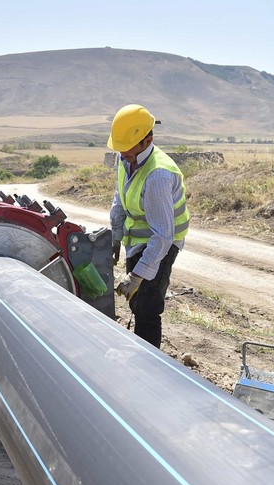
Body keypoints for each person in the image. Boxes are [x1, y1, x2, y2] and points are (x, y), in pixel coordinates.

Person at [108, 104, 190, 348]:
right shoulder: (125, 158)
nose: (122, 153)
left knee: (147, 307)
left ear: (147, 140)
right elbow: (119, 199)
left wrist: (137, 276)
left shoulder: (158, 175)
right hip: (137, 241)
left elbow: (164, 236)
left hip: (162, 244)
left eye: (127, 147)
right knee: (136, 300)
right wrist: (115, 236)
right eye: (119, 147)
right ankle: (138, 348)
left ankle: (150, 364)